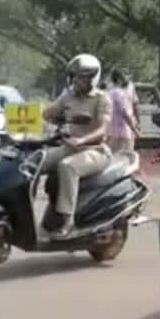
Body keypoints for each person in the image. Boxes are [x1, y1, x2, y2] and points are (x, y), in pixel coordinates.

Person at [40, 54, 112, 238]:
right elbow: (47, 114)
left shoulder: (102, 99)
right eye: (74, 76)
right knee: (34, 161)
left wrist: (82, 140)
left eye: (81, 77)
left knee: (67, 167)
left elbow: (102, 129)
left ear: (92, 78)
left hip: (95, 151)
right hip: (69, 147)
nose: (76, 80)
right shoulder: (68, 96)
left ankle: (68, 221)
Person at [106, 67, 140, 153]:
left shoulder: (109, 92)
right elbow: (125, 113)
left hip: (112, 131)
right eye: (124, 76)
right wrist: (135, 129)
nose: (126, 79)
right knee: (125, 159)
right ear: (119, 79)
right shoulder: (119, 93)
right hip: (123, 131)